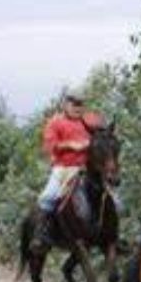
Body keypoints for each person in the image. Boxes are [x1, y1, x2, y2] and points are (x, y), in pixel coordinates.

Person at [31, 92, 104, 249]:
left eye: (80, 104)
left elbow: (102, 131)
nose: (77, 108)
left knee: (115, 200)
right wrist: (71, 145)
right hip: (64, 168)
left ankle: (112, 236)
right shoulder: (55, 123)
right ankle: (41, 235)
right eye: (74, 104)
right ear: (66, 105)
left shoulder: (88, 122)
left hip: (86, 169)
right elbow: (49, 146)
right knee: (47, 197)